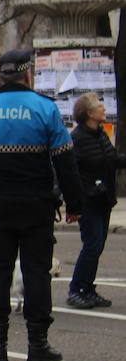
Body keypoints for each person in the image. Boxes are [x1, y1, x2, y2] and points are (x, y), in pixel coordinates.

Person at [0, 49, 83, 361]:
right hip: (36, 204)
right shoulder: (44, 108)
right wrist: (75, 203)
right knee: (36, 272)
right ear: (28, 74)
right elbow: (65, 160)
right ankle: (37, 343)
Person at [66, 92, 123, 309]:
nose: (104, 109)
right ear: (89, 113)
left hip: (104, 200)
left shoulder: (100, 134)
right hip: (87, 201)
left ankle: (87, 289)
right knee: (92, 244)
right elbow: (70, 171)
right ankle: (76, 290)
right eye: (100, 106)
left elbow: (112, 160)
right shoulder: (77, 139)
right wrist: (76, 197)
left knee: (97, 246)